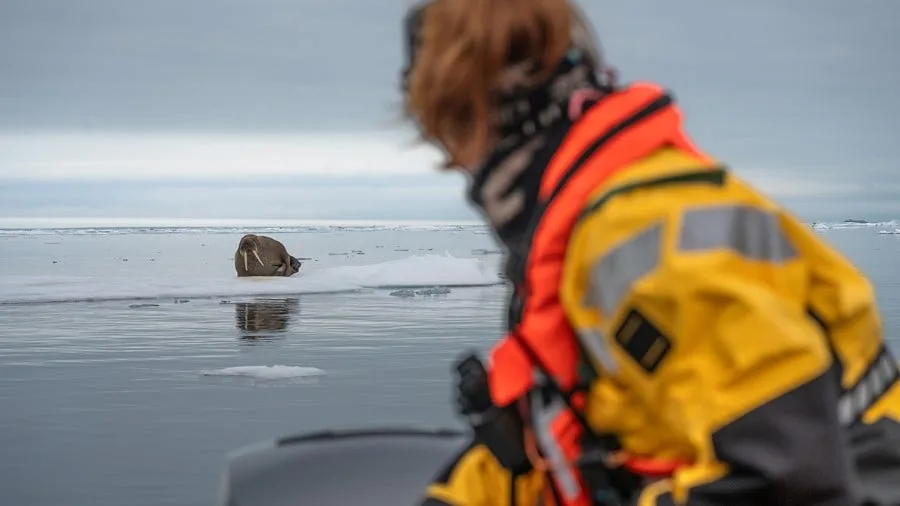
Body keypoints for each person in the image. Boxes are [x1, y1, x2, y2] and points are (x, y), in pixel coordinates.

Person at [399, 0, 900, 504]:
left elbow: (787, 479)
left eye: (446, 135)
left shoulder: (637, 237)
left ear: (467, 113)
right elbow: (570, 434)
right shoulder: (588, 223)